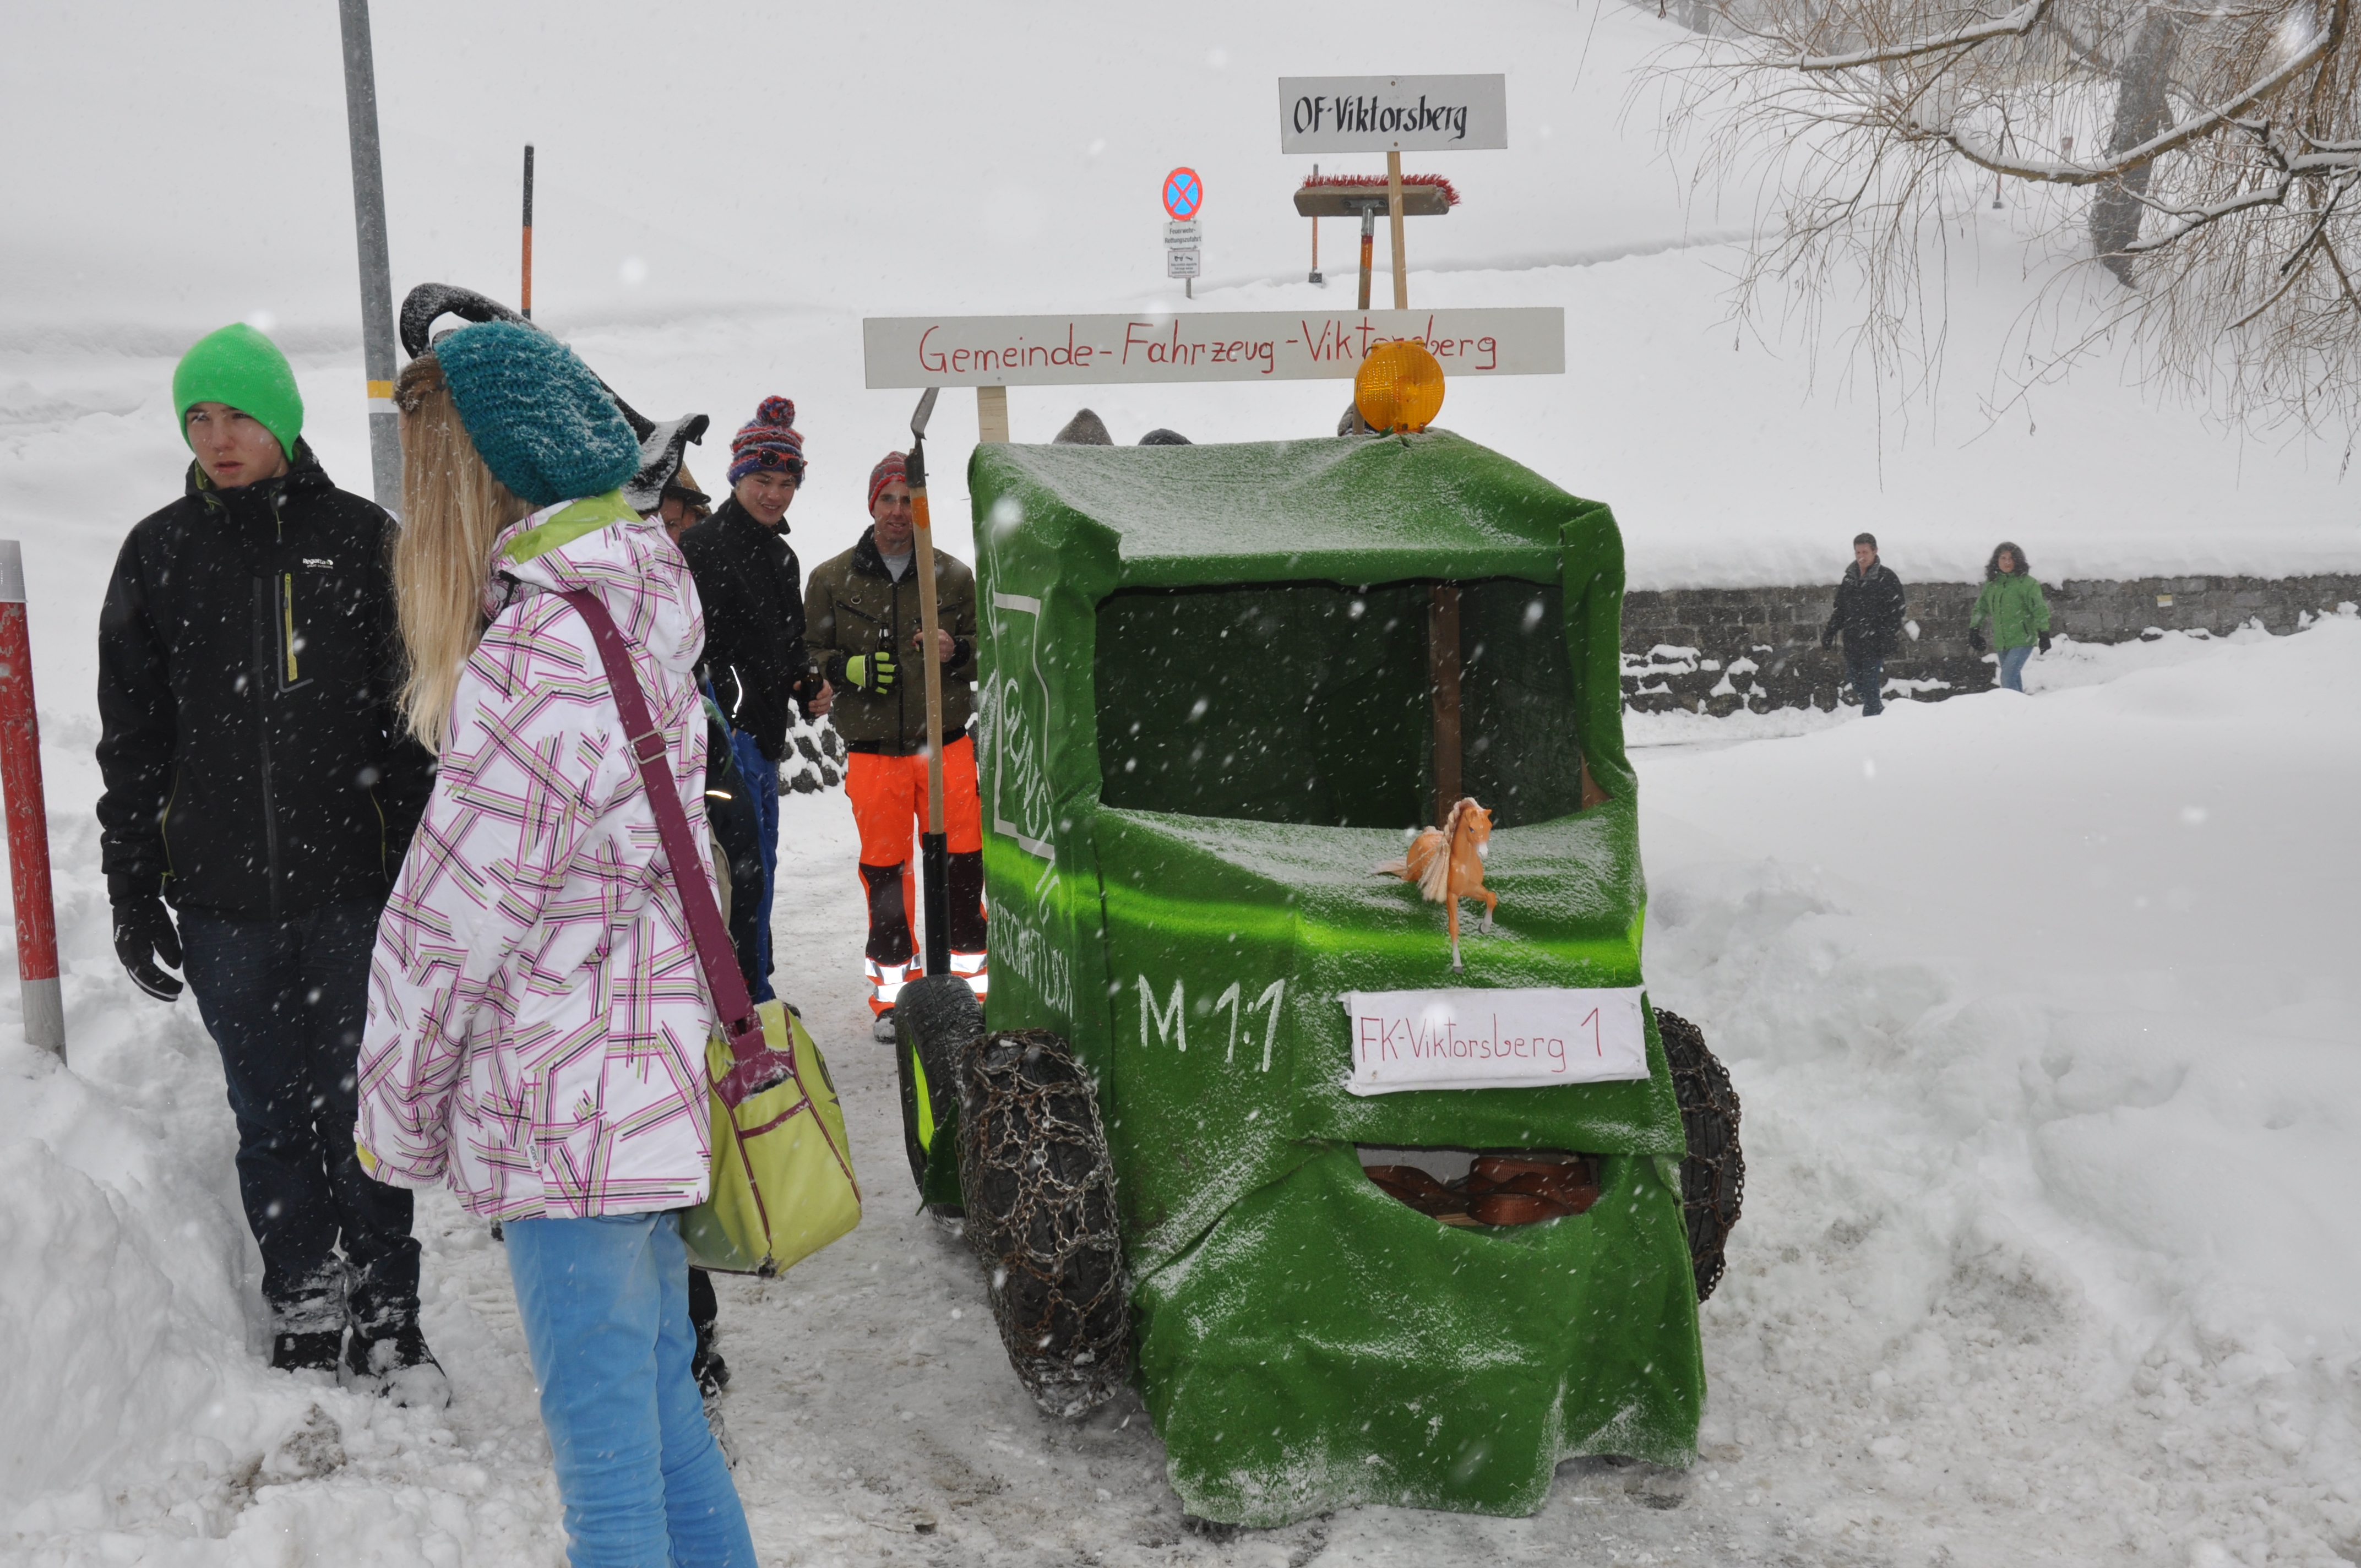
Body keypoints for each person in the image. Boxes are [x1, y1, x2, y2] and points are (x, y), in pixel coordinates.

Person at [356, 322, 754, 1566]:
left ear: (476, 487)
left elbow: (449, 927)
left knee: (609, 1490)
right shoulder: (637, 610)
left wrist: (394, 1117)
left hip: (565, 1117)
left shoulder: (539, 653)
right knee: (663, 1431)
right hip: (639, 1092)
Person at [96, 323, 439, 1394]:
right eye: (198, 418)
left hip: (352, 892)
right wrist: (130, 884)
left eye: (238, 414)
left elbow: (412, 727)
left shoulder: (361, 540)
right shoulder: (158, 553)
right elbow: (133, 738)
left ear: (282, 419)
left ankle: (387, 1304)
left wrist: (417, 875)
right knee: (268, 1111)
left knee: (360, 1107)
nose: (217, 437)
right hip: (219, 900)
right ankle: (302, 1289)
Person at [805, 453, 987, 1038]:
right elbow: (806, 655)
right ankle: (894, 997)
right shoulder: (831, 579)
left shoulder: (953, 577)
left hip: (946, 747)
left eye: (909, 501)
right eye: (888, 499)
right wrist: (846, 668)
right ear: (872, 504)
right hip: (874, 751)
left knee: (963, 866)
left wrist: (957, 651)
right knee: (885, 873)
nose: (899, 512)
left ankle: (969, 986)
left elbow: (992, 649)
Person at [677, 399, 831, 1004]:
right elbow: (694, 649)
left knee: (759, 867)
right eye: (763, 480)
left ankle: (756, 986)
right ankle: (739, 998)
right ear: (737, 477)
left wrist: (807, 679)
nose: (774, 495)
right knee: (733, 870)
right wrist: (728, 712)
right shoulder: (703, 547)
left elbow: (788, 645)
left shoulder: (781, 556)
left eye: (786, 483)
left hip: (764, 738)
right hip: (723, 737)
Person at [1820, 531, 1907, 716]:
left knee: (1870, 684)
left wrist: (1887, 634)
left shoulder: (1887, 578)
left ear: (1875, 551)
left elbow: (1897, 610)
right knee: (1856, 681)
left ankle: (1872, 719)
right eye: (1858, 553)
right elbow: (1841, 609)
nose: (1861, 557)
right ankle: (1879, 713)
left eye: (1865, 552)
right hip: (1853, 641)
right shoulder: (1850, 578)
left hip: (1875, 641)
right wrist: (1830, 632)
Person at [1968, 541, 2053, 693]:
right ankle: (2020, 705)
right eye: (2003, 558)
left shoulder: (2028, 584)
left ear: (2018, 561)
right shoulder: (1992, 584)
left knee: (2007, 677)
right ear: (1997, 560)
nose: (2007, 562)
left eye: (2011, 558)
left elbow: (2040, 610)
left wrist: (2044, 633)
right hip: (2002, 641)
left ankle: (2013, 706)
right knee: (2012, 678)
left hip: (2023, 639)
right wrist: (1974, 630)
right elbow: (1981, 608)